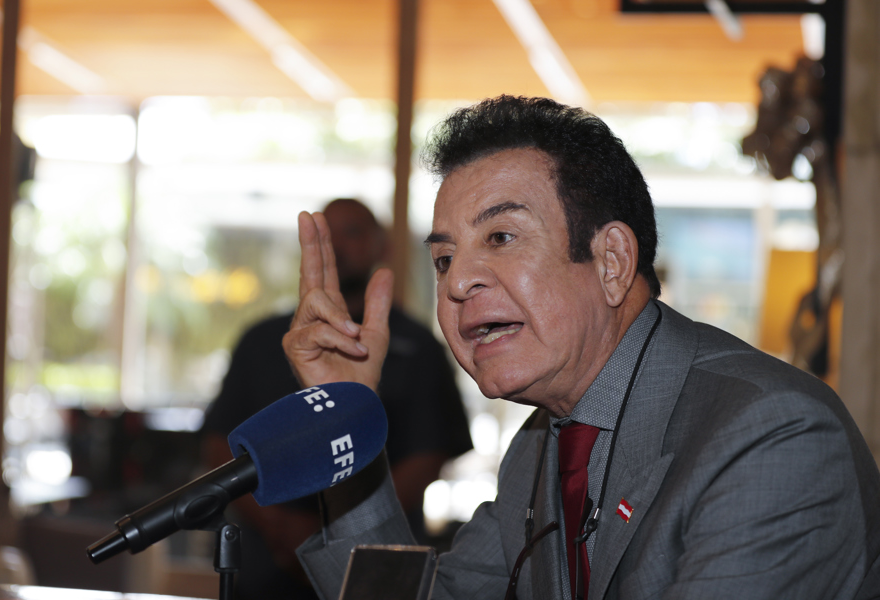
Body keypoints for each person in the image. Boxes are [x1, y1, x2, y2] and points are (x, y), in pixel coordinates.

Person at [283, 96, 880, 600]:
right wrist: (342, 416)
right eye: (443, 259)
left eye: (501, 236)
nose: (458, 281)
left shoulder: (772, 435)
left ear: (612, 262)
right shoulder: (544, 446)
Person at [200, 198, 473, 600]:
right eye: (329, 235)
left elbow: (428, 452)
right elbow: (217, 442)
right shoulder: (263, 339)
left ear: (381, 247)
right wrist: (277, 526)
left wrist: (337, 530)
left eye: (353, 233)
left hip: (377, 572)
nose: (341, 247)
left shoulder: (420, 348)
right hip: (264, 566)